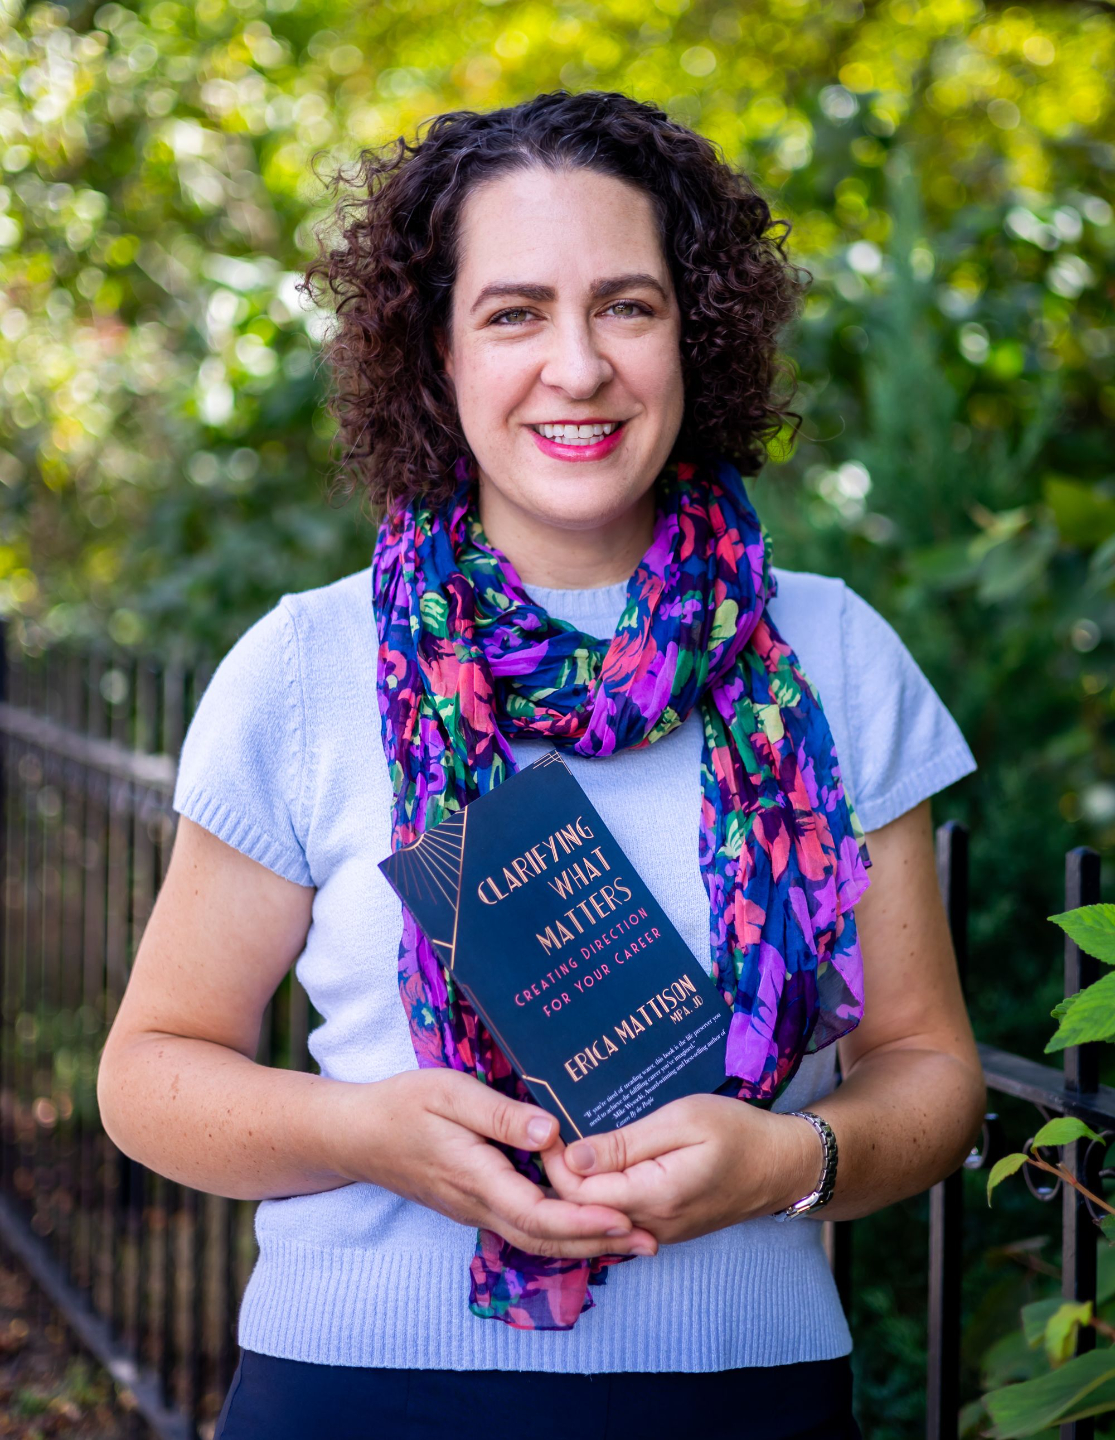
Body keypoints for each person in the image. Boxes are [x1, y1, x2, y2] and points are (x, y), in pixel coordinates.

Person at [97, 90, 985, 1439]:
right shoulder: (306, 666)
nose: (577, 366)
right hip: (358, 1393)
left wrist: (789, 1162)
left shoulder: (837, 655)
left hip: (743, 1393)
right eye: (514, 312)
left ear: (698, 331)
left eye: (627, 305)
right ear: (435, 352)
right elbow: (150, 1073)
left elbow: (927, 1068)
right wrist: (364, 1133)